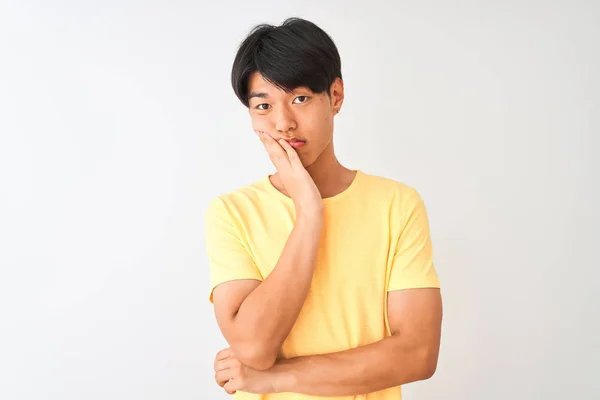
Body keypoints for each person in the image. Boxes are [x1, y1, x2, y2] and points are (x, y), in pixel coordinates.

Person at [204, 17, 443, 399]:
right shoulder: (232, 213)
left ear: (335, 96)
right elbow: (254, 347)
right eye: (263, 105)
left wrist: (272, 379)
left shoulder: (397, 205)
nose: (283, 123)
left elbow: (418, 354)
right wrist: (309, 214)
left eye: (299, 98)